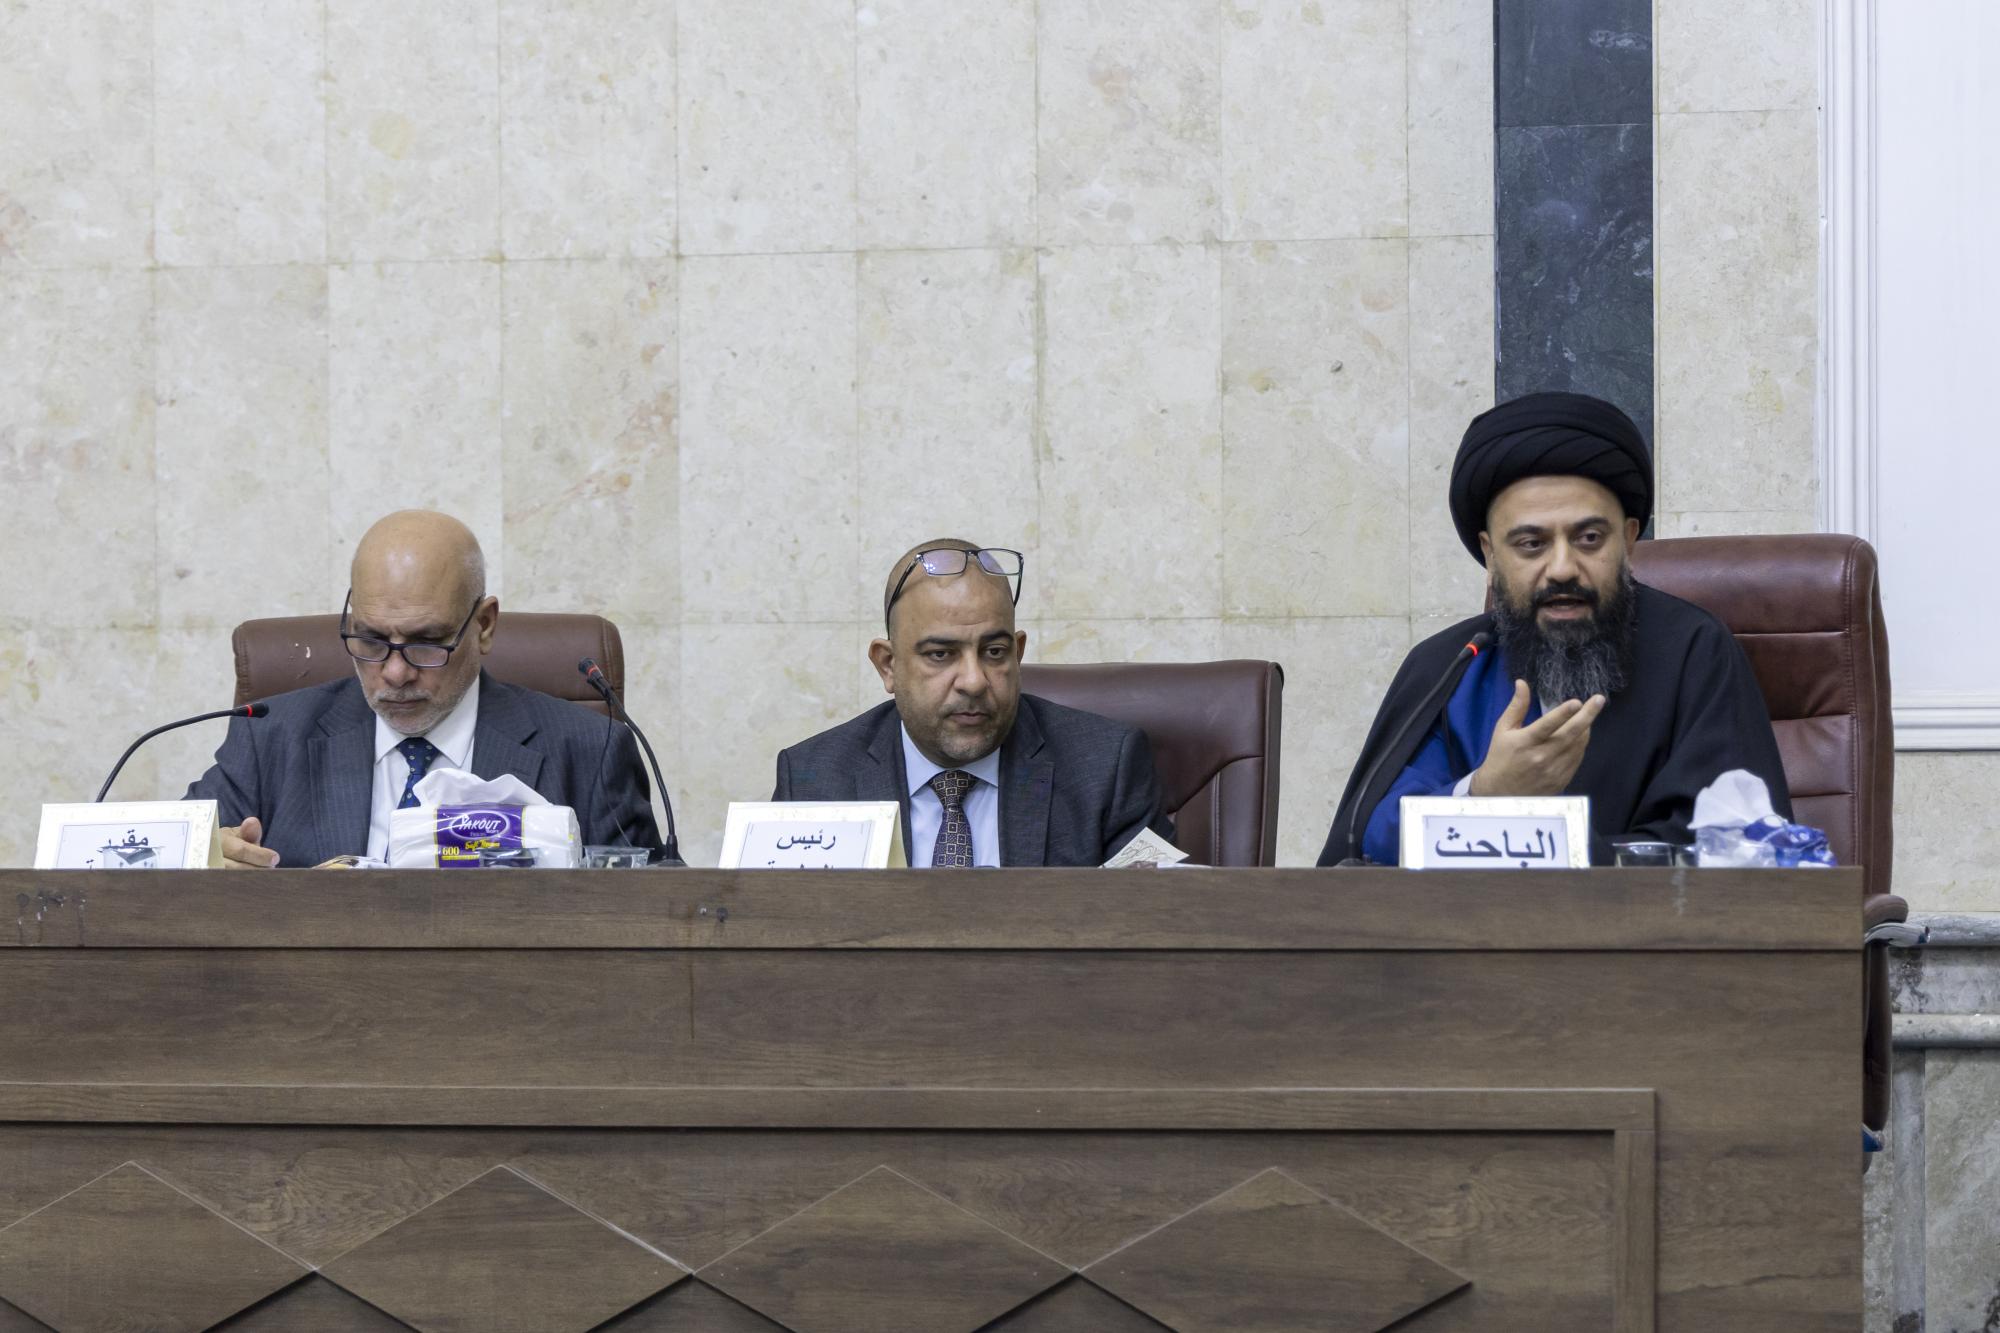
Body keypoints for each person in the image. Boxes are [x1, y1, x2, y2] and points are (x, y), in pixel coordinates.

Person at [1318, 391, 1790, 866]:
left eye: (1589, 538)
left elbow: (1733, 853)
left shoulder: (1693, 650)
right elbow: (1373, 836)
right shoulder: (1454, 665)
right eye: (1531, 543)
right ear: (1490, 555)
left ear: (1628, 540)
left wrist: (1538, 831)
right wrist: (1485, 794)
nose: (1562, 568)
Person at [187, 509, 661, 867]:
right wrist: (204, 856)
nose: (395, 673)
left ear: (484, 625)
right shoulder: (269, 738)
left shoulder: (590, 752)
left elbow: (651, 919)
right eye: (372, 641)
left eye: (427, 643)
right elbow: (167, 856)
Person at [773, 539, 1172, 866]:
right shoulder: (814, 781)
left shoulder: (1105, 768)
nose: (974, 681)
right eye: (940, 654)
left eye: (994, 652)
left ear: (1017, 654)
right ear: (888, 665)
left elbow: (1153, 924)